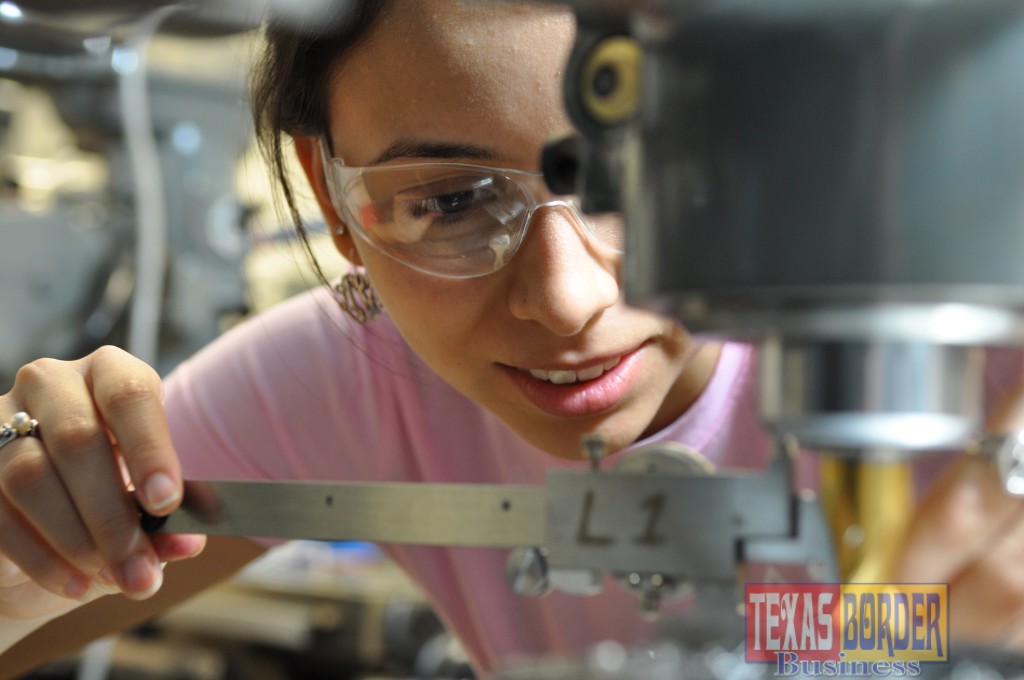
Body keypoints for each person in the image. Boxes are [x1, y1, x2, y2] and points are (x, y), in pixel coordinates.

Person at [2, 1, 1024, 677]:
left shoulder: (975, 348)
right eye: (449, 201)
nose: (566, 298)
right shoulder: (363, 370)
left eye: (633, 182)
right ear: (330, 194)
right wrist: (34, 506)